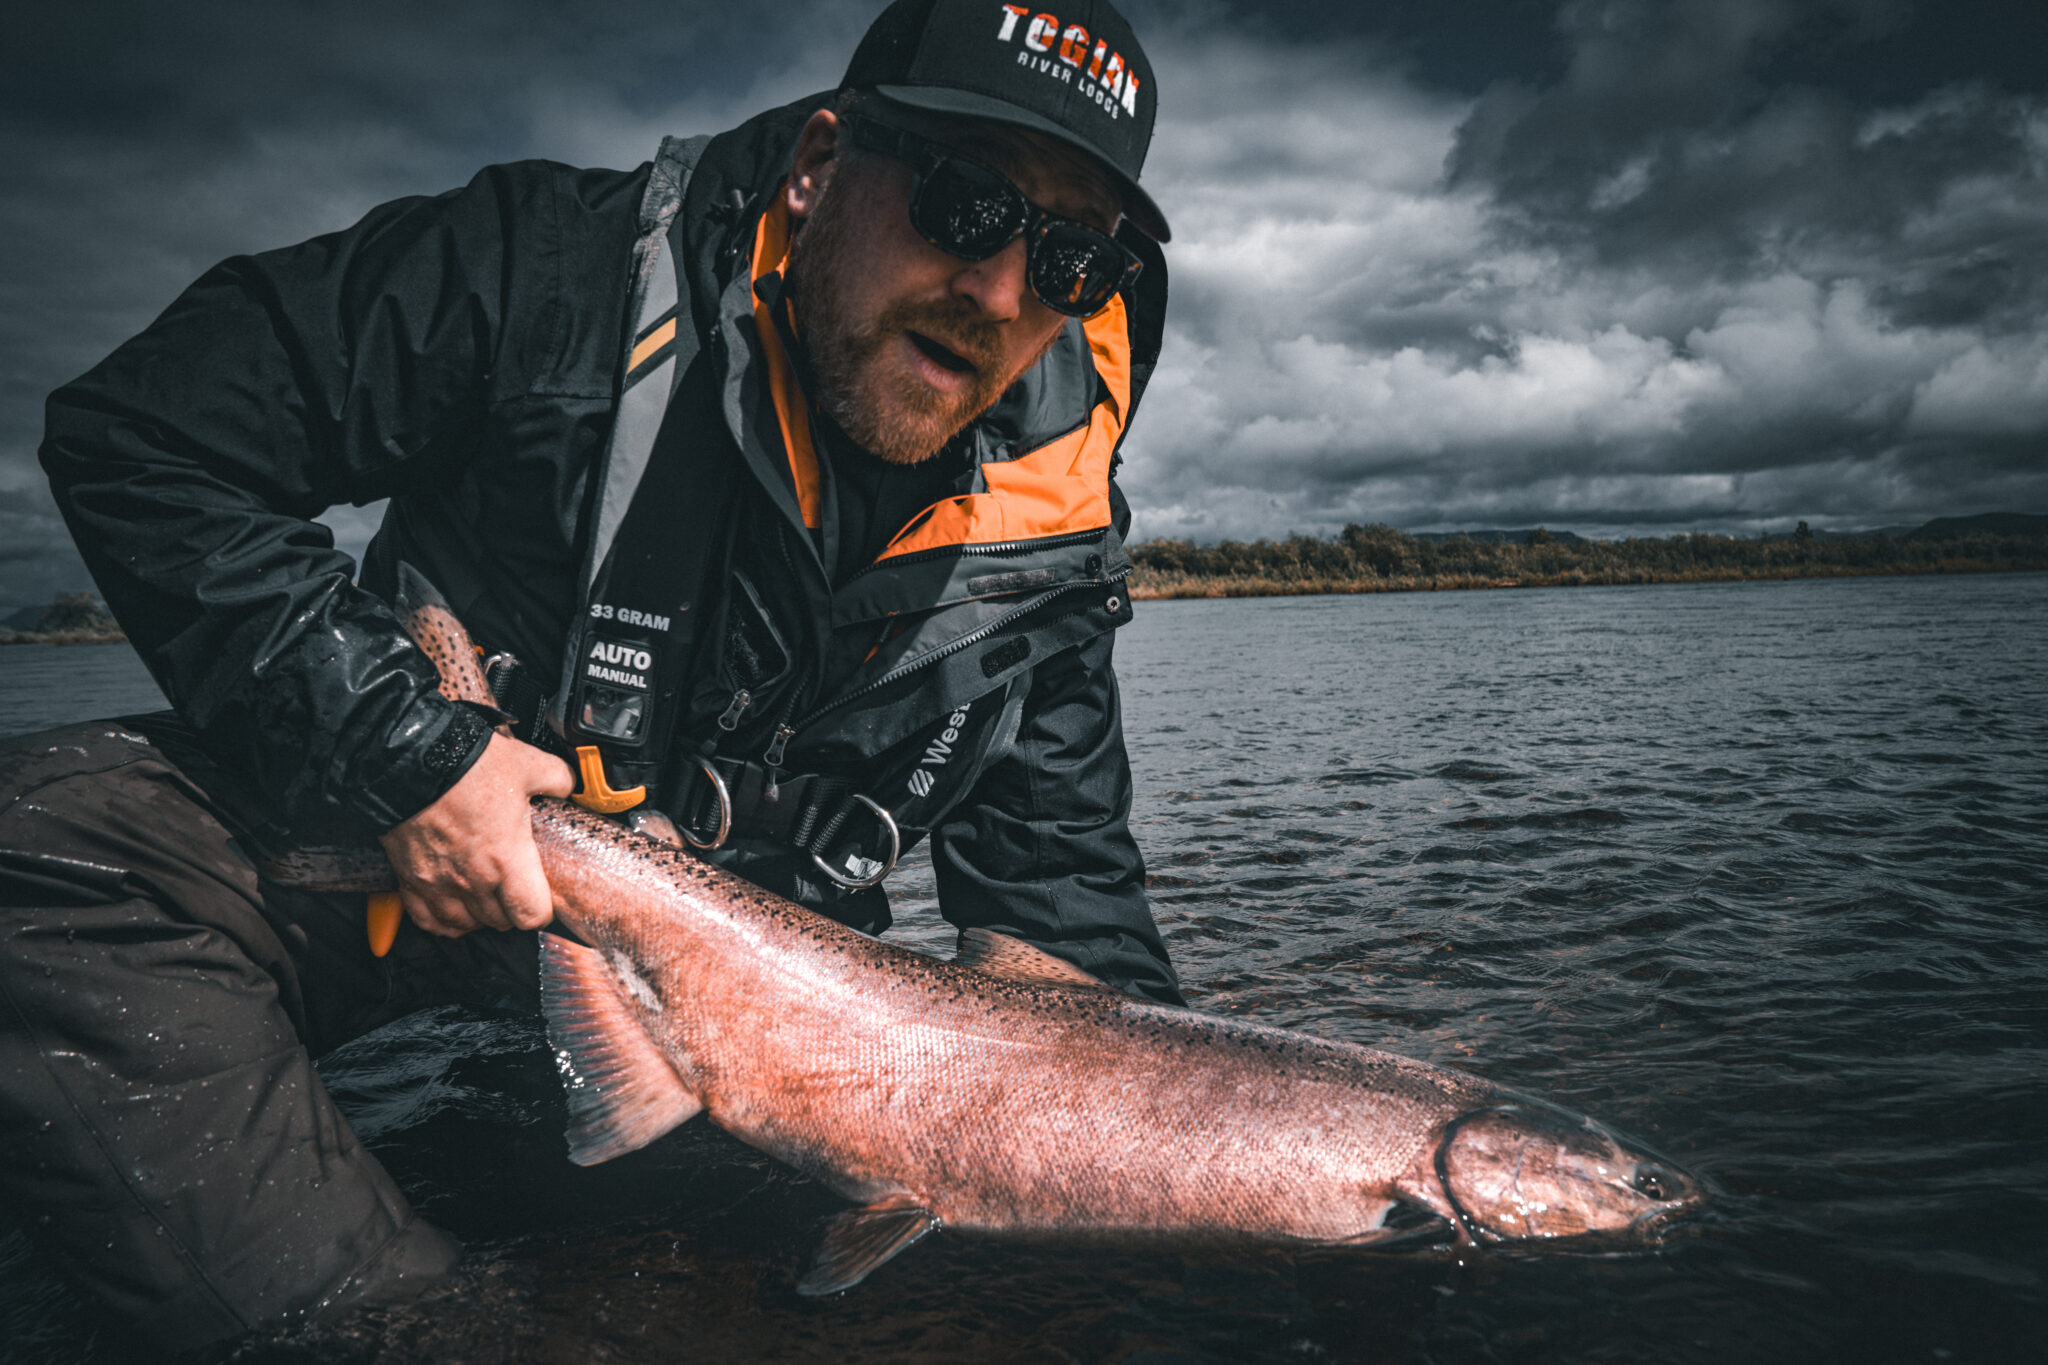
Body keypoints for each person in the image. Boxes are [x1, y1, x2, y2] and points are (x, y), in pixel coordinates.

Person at [1, 0, 1179, 1349]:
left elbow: (1069, 926)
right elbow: (143, 438)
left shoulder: (1056, 543)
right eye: (967, 206)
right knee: (45, 850)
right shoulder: (541, 272)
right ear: (819, 165)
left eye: (1072, 258)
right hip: (413, 873)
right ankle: (410, 1328)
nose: (1002, 292)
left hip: (737, 1013)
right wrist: (410, 758)